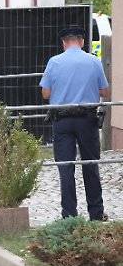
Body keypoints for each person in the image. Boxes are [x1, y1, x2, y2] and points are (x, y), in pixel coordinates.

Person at [39, 26, 109, 221]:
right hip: (87, 120)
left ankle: (69, 215)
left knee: (66, 167)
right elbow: (105, 92)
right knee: (90, 165)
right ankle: (96, 213)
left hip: (62, 120)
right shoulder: (94, 61)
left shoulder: (54, 61)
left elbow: (45, 93)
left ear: (64, 43)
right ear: (82, 41)